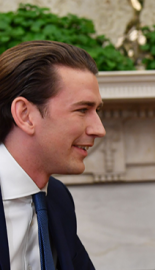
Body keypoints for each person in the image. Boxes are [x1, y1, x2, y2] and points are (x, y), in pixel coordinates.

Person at [0, 40, 105, 269]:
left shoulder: (57, 198)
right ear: (25, 115)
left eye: (96, 111)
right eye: (82, 110)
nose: (99, 129)